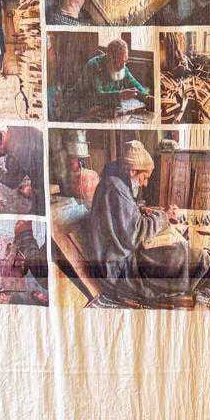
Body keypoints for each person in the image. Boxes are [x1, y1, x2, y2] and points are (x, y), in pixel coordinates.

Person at [86, 139, 168, 281]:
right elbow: (136, 233)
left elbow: (121, 212)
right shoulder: (117, 189)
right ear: (132, 171)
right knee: (172, 257)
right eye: (144, 177)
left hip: (114, 257)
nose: (145, 183)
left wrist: (139, 209)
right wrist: (163, 217)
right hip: (114, 267)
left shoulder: (115, 182)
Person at [0, 127, 45, 215]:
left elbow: (12, 182)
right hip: (47, 143)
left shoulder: (13, 159)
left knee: (37, 206)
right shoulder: (14, 127)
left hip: (50, 170)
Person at [76, 40, 150, 116]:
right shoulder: (94, 66)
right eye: (118, 62)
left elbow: (135, 85)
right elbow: (96, 96)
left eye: (125, 61)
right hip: (83, 108)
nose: (122, 66)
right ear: (109, 58)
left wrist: (146, 97)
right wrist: (119, 95)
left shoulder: (122, 67)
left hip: (106, 108)